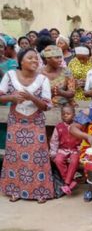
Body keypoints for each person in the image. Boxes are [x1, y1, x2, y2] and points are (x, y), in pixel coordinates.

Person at [0, 48, 54, 203]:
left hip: (35, 122)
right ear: (21, 61)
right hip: (16, 122)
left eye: (36, 59)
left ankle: (40, 191)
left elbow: (47, 106)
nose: (34, 61)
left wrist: (32, 98)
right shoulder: (10, 76)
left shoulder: (43, 79)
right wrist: (12, 97)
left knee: (38, 157)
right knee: (15, 156)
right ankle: (15, 190)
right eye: (30, 58)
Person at [49, 105, 80, 195]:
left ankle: (66, 183)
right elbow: (54, 141)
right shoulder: (59, 127)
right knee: (58, 160)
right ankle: (70, 180)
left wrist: (80, 150)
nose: (65, 115)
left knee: (74, 161)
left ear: (74, 115)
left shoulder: (78, 126)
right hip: (63, 149)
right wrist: (53, 152)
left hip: (75, 149)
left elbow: (82, 140)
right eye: (63, 114)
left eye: (68, 114)